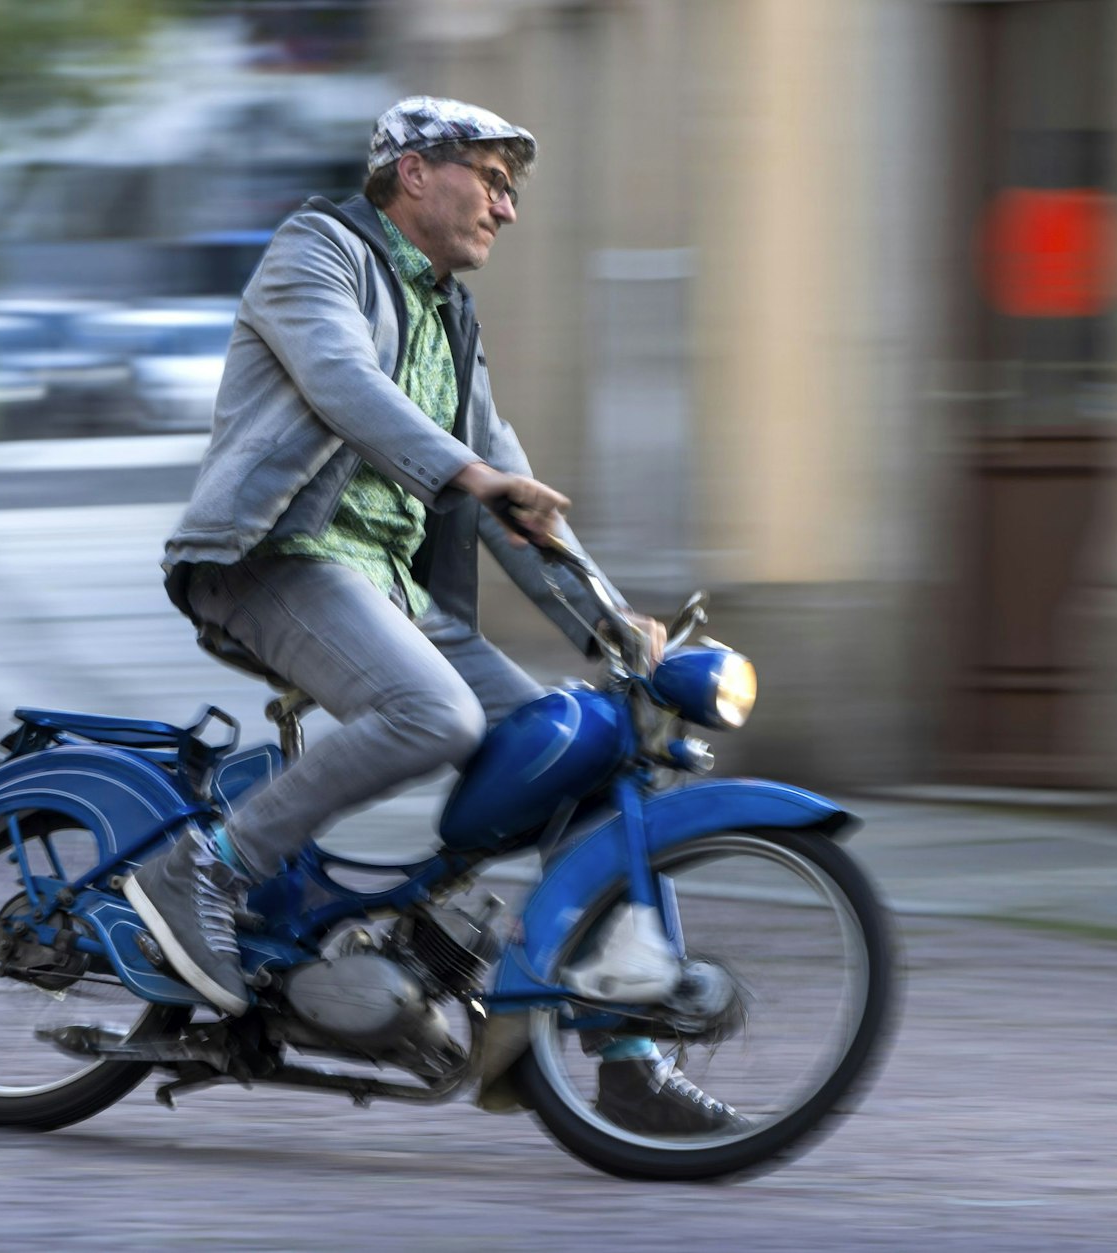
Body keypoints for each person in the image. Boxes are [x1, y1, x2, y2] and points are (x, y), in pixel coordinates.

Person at [125, 97, 740, 1134]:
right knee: (435, 714)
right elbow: (342, 380)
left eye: (511, 189)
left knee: (580, 756)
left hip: (392, 590)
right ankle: (203, 869)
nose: (507, 207)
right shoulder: (316, 252)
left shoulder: (450, 314)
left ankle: (627, 1055)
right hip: (275, 558)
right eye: (492, 180)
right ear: (414, 172)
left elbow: (512, 493)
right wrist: (468, 473)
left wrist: (605, 620)